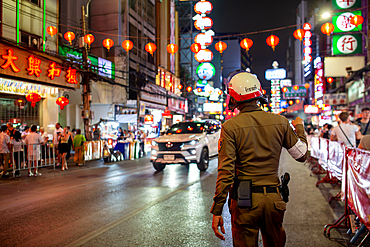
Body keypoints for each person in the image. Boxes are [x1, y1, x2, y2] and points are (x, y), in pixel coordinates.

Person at [210, 71, 308, 246]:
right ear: (259, 94)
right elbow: (301, 155)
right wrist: (299, 128)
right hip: (274, 201)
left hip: (245, 202)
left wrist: (217, 209)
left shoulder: (230, 127)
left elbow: (226, 172)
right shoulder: (281, 122)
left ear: (233, 97)